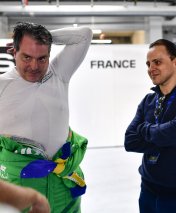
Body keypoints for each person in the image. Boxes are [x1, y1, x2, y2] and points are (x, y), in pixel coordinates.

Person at [0, 22, 92, 212]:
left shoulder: (58, 73)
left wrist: (43, 37)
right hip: (21, 186)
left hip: (63, 183)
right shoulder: (2, 85)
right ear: (14, 51)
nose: (34, 66)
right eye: (27, 57)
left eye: (42, 58)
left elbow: (84, 34)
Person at [124, 39, 176, 213]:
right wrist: (169, 136)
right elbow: (130, 141)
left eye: (157, 62)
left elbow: (174, 134)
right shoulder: (148, 101)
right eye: (148, 64)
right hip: (147, 191)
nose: (151, 68)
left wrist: (144, 129)